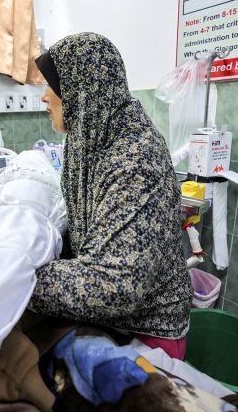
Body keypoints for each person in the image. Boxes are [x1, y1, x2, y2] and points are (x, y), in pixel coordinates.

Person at [29, 32, 193, 359]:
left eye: (52, 85)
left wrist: (14, 276)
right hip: (114, 325)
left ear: (79, 91)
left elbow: (115, 284)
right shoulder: (95, 141)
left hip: (148, 335)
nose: (45, 97)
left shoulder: (135, 160)